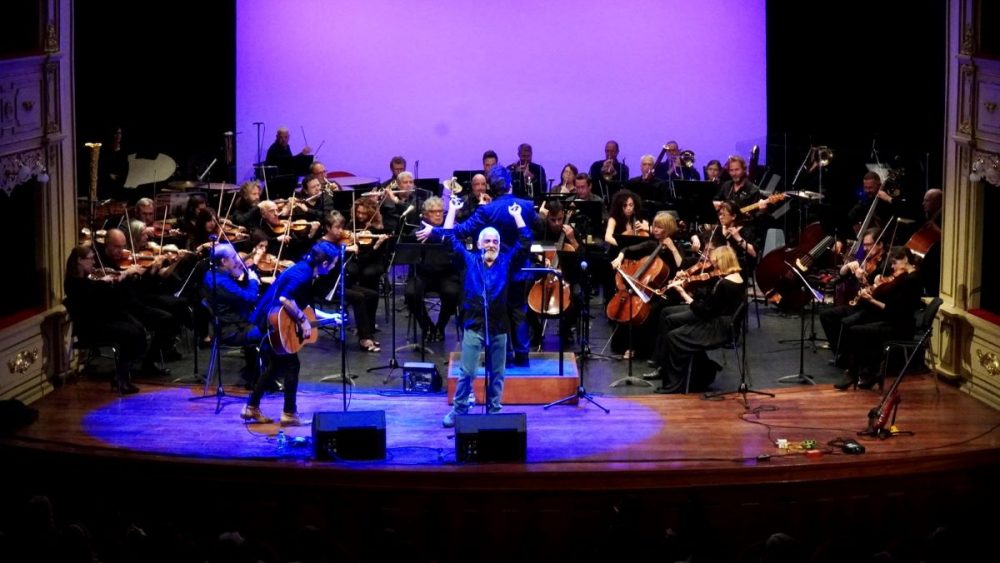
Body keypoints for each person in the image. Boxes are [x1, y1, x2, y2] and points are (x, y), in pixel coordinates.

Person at [417, 165, 536, 366]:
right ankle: (523, 356)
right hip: (519, 267)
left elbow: (460, 232)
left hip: (496, 270)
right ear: (510, 184)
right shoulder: (526, 206)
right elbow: (530, 235)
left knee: (500, 314)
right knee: (519, 311)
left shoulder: (486, 211)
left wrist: (434, 231)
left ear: (490, 186)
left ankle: (503, 358)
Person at [441, 198, 532, 427]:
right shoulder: (470, 261)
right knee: (468, 372)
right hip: (474, 324)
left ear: (499, 245)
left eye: (495, 241)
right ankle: (459, 409)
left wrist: (517, 217)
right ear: (479, 244)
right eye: (487, 241)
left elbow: (525, 241)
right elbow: (450, 238)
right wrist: (452, 210)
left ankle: (493, 412)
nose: (491, 244)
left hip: (499, 326)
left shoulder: (506, 262)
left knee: (497, 375)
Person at [241, 240, 340, 426]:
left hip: (274, 320)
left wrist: (329, 316)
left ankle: (253, 407)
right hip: (272, 322)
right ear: (325, 263)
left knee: (276, 366)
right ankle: (288, 412)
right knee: (290, 365)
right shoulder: (303, 274)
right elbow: (285, 298)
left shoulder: (305, 269)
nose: (335, 266)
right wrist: (302, 321)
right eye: (334, 263)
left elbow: (303, 306)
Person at [651, 245, 745, 393]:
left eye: (715, 262)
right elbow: (711, 305)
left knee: (674, 336)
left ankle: (675, 384)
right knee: (670, 319)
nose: (713, 265)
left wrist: (683, 293)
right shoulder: (736, 279)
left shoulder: (725, 284)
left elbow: (705, 312)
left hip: (718, 327)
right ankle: (674, 371)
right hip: (721, 321)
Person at [833, 246, 923, 390]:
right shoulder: (906, 278)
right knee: (859, 327)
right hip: (896, 322)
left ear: (905, 259)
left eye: (894, 263)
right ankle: (869, 371)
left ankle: (855, 372)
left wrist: (871, 300)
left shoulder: (911, 281)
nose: (892, 267)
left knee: (857, 331)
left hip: (901, 328)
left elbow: (894, 311)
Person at [64, 245, 146, 394]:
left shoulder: (88, 281)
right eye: (91, 259)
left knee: (138, 328)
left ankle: (122, 376)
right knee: (130, 333)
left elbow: (104, 299)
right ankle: (121, 378)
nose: (94, 262)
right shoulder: (73, 283)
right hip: (89, 328)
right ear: (80, 261)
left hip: (101, 321)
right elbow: (90, 296)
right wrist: (105, 282)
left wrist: (117, 280)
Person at [201, 242, 263, 389]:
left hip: (232, 323)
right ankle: (260, 378)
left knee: (263, 324)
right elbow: (250, 298)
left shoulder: (211, 275)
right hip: (231, 330)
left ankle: (253, 371)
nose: (237, 260)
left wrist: (238, 274)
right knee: (271, 332)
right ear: (223, 261)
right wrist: (253, 280)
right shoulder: (222, 283)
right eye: (233, 257)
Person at [404, 197, 460, 342]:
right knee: (410, 293)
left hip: (447, 274)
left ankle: (441, 325)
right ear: (425, 214)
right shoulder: (418, 232)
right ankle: (427, 326)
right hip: (423, 275)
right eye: (433, 212)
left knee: (453, 293)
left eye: (440, 211)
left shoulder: (451, 230)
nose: (438, 214)